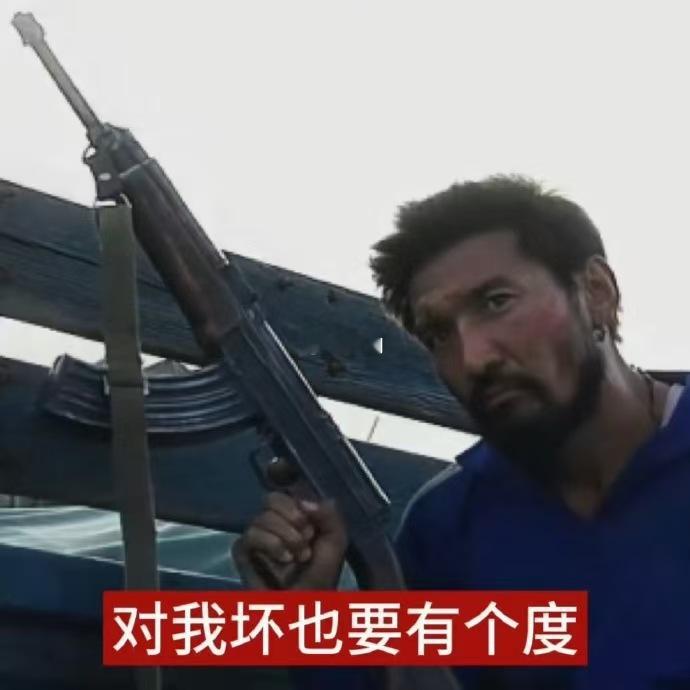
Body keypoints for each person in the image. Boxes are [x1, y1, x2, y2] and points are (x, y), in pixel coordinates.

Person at [233, 175, 690, 689]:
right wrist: (305, 621)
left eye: (497, 301)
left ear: (596, 293)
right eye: (438, 335)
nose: (473, 358)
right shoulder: (448, 525)